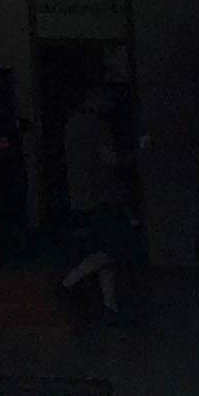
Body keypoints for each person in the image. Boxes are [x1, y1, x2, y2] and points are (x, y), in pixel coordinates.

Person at [59, 84, 136, 320]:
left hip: (81, 196)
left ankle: (109, 304)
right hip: (102, 197)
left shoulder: (72, 123)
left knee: (104, 250)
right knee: (112, 249)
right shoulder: (97, 126)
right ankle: (68, 282)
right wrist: (135, 154)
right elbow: (110, 159)